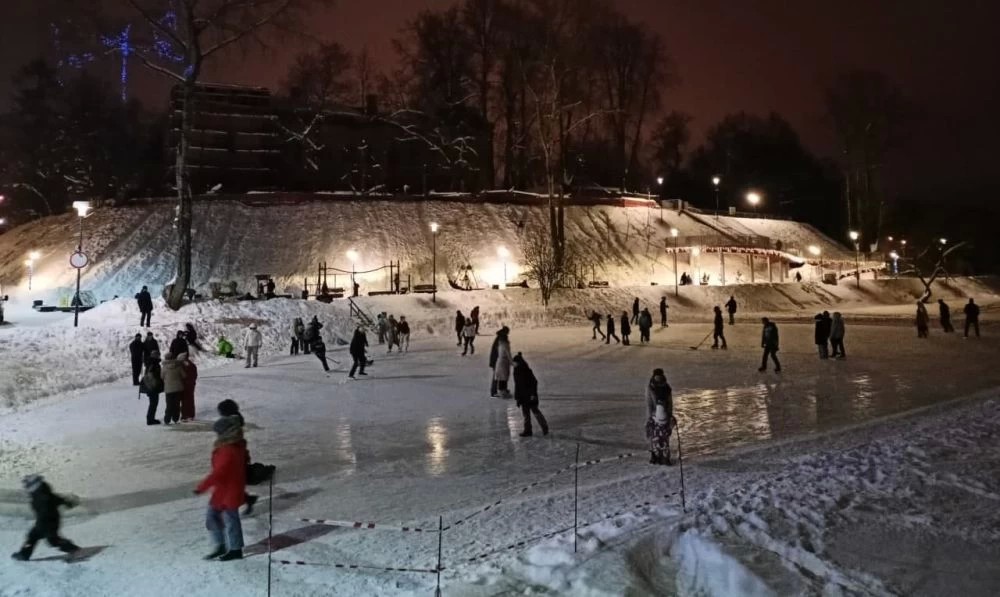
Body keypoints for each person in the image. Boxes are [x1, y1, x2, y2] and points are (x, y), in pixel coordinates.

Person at [194, 415, 248, 561]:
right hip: (224, 489)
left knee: (230, 519)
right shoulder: (234, 445)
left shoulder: (228, 449)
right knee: (213, 516)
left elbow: (219, 472)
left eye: (218, 432)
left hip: (229, 490)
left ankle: (235, 550)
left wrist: (201, 487)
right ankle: (221, 545)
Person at [10, 475, 80, 561]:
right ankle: (24, 554)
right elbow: (58, 500)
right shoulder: (39, 494)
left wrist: (68, 503)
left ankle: (72, 548)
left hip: (49, 522)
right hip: (43, 522)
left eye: (27, 485)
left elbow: (56, 502)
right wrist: (67, 503)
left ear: (34, 485)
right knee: (33, 536)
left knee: (52, 540)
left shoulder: (43, 496)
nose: (26, 488)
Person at [216, 400, 258, 515]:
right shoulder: (234, 422)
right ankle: (246, 499)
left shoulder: (230, 424)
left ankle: (242, 500)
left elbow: (219, 429)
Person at [512, 353, 549, 437]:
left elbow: (534, 382)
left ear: (519, 362)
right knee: (526, 415)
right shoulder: (516, 372)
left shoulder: (527, 371)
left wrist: (532, 394)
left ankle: (544, 427)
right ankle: (527, 430)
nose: (513, 364)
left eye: (515, 362)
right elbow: (517, 386)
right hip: (523, 397)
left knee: (536, 412)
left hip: (530, 396)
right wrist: (517, 398)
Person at [645, 369, 674, 465]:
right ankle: (654, 455)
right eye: (656, 376)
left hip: (664, 415)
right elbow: (649, 403)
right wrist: (650, 416)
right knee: (654, 436)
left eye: (659, 376)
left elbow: (670, 403)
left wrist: (669, 414)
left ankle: (665, 457)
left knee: (664, 436)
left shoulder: (667, 387)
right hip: (654, 415)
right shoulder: (650, 388)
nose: (658, 378)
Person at [140, 350, 163, 425]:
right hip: (153, 387)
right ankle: (150, 419)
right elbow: (152, 375)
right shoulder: (153, 364)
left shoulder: (150, 363)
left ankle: (150, 418)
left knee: (153, 403)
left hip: (150, 386)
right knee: (153, 403)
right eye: (158, 355)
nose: (159, 356)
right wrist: (156, 383)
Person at [161, 353, 185, 425]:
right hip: (178, 388)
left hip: (168, 389)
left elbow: (162, 377)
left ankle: (167, 420)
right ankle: (175, 419)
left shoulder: (164, 368)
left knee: (169, 405)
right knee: (176, 404)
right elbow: (184, 375)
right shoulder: (178, 366)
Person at [488, 327, 510, 397]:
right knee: (497, 376)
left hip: (498, 360)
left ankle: (503, 389)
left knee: (502, 375)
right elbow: (499, 351)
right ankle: (493, 391)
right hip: (497, 360)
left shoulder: (501, 337)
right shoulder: (501, 339)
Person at [493, 330, 513, 399]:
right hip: (503, 363)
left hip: (500, 362)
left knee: (501, 378)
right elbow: (508, 354)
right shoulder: (505, 345)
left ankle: (502, 391)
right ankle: (502, 393)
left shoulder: (500, 344)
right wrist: (512, 363)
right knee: (503, 378)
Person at [180, 353, 198, 422]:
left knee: (184, 400)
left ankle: (185, 415)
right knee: (190, 400)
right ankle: (190, 415)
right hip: (191, 385)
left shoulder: (181, 366)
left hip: (184, 385)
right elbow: (195, 375)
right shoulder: (192, 365)